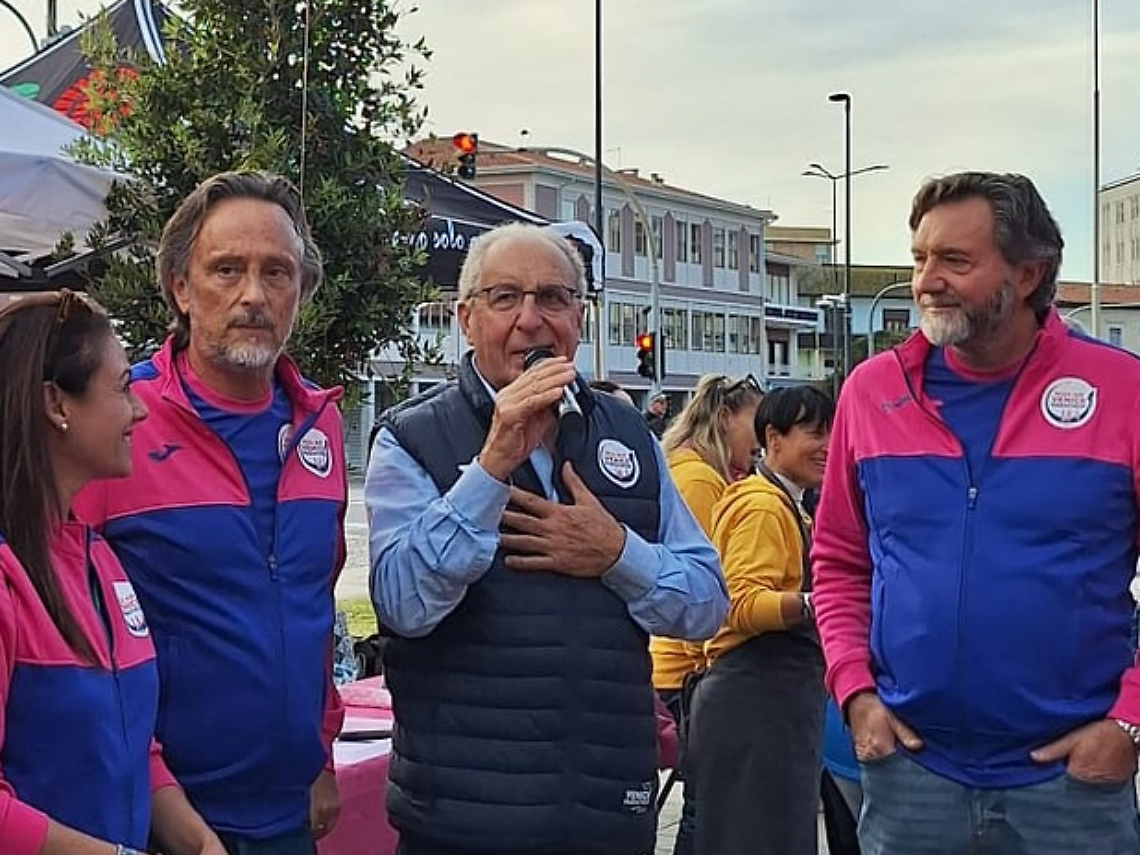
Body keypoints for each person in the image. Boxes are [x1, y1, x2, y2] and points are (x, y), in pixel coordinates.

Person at [366, 222, 728, 855]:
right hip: (465, 823)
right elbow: (404, 605)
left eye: (553, 298)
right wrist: (491, 467)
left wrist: (616, 553)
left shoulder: (629, 436)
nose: (530, 319)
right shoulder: (412, 438)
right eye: (505, 297)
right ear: (466, 319)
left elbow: (705, 604)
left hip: (607, 817)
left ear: (578, 318)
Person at [813, 171, 1140, 854]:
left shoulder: (1121, 390)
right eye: (920, 258)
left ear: (1028, 274)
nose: (926, 281)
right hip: (912, 772)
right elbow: (839, 559)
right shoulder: (871, 392)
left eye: (955, 261)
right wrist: (854, 691)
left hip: (1072, 784)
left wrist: (1129, 721)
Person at [74, 172, 347, 855]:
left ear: (301, 292)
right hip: (155, 818)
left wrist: (322, 749)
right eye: (227, 269)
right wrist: (157, 797)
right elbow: (71, 634)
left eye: (276, 272)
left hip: (287, 815)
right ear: (180, 288)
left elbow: (314, 600)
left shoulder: (322, 423)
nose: (253, 295)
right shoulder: (118, 421)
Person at [0, 290, 223, 855]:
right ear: (56, 403)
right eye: (123, 387)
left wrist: (198, 840)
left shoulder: (98, 557)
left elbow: (129, 741)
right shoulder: (9, 578)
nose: (140, 410)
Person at [689, 385, 833, 855]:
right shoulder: (763, 505)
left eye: (833, 433)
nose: (828, 446)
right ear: (773, 438)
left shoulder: (790, 505)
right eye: (814, 433)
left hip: (773, 706)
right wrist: (821, 602)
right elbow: (740, 604)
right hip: (754, 704)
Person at [652, 372, 765, 855]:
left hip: (682, 663)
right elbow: (701, 581)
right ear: (724, 417)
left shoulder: (693, 469)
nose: (762, 439)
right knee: (708, 809)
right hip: (687, 669)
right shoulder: (699, 479)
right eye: (756, 423)